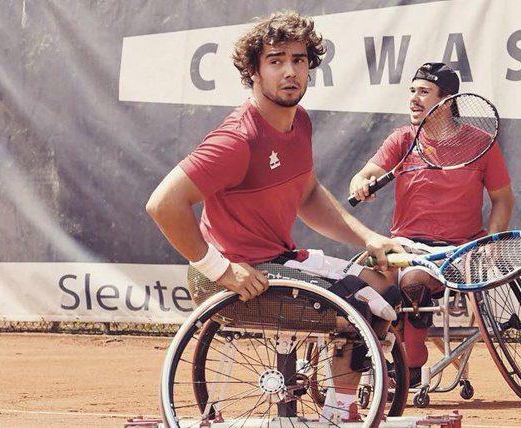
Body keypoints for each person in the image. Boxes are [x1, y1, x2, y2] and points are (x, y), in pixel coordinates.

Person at [146, 11, 402, 422]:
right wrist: (221, 268)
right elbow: (163, 204)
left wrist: (369, 239)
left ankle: (341, 408)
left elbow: (309, 195)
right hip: (235, 279)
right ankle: (341, 413)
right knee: (362, 302)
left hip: (277, 263)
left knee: (384, 280)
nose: (290, 72)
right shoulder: (237, 140)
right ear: (254, 71)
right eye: (276, 60)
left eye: (298, 60)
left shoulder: (298, 122)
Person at [349, 62, 515, 387]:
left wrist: (492, 241)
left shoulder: (481, 144)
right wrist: (360, 183)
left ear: (446, 100)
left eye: (423, 92)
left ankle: (410, 364)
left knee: (413, 281)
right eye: (412, 91)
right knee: (356, 280)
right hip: (404, 246)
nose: (413, 98)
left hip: (457, 250)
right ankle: (357, 362)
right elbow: (366, 173)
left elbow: (503, 200)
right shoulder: (401, 139)